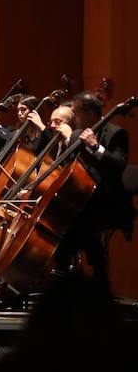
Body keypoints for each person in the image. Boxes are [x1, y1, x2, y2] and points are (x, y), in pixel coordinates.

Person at [59, 91, 132, 288]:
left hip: (107, 200)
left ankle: (97, 282)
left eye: (77, 112)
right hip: (82, 200)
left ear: (90, 112)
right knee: (64, 224)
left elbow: (118, 164)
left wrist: (95, 146)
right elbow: (66, 166)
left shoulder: (117, 133)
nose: (74, 117)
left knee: (79, 228)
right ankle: (67, 280)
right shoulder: (76, 134)